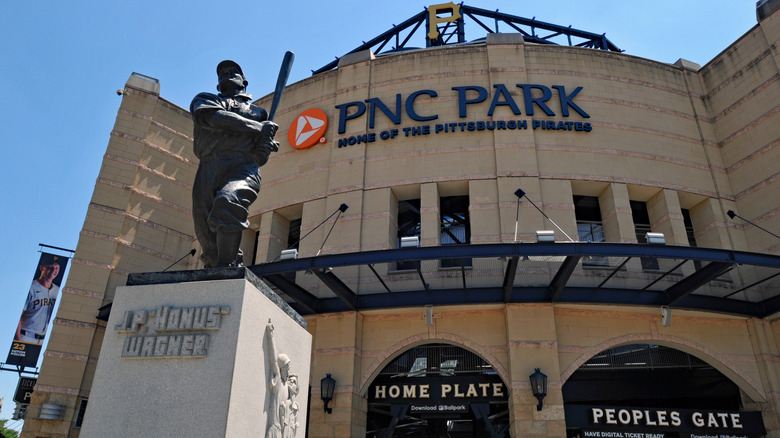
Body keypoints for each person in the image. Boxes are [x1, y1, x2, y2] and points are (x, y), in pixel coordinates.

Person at [190, 60, 279, 268]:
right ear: (217, 85)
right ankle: (218, 265)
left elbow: (260, 158)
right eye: (222, 74)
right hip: (209, 166)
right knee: (205, 232)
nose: (226, 75)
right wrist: (259, 129)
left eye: (233, 72)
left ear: (244, 82)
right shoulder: (206, 99)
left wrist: (265, 146)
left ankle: (226, 268)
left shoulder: (259, 113)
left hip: (243, 168)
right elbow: (214, 118)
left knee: (228, 201)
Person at [15, 254, 61, 343]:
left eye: (56, 268)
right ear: (42, 268)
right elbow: (18, 316)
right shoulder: (31, 288)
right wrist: (18, 340)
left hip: (43, 339)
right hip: (25, 336)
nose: (53, 270)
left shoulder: (57, 291)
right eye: (50, 267)